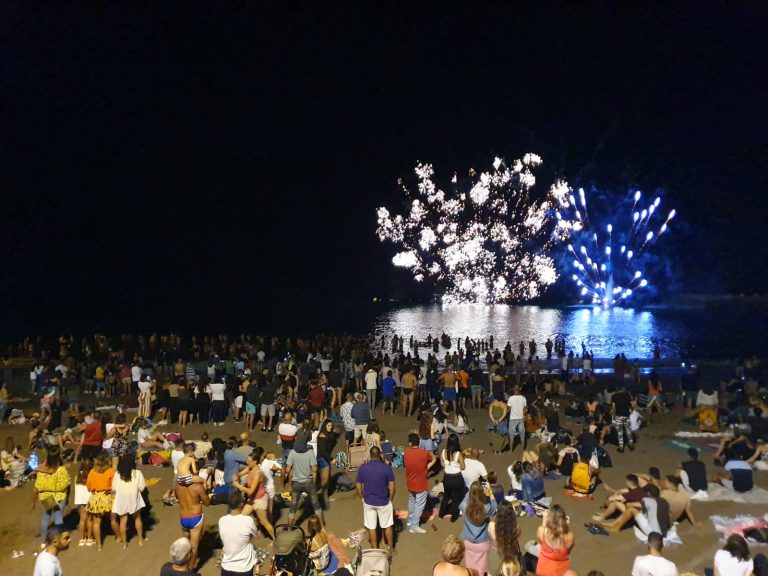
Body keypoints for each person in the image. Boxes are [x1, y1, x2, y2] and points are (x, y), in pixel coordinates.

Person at [355, 446, 396, 552]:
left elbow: (358, 485)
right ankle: (390, 548)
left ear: (370, 455)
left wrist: (362, 497)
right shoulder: (386, 468)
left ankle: (374, 549)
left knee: (371, 527)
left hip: (369, 502)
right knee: (387, 525)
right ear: (379, 454)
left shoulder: (363, 467)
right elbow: (392, 486)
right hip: (384, 501)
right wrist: (390, 498)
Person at [32, 447, 71, 547]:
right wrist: (68, 498)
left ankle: (43, 541)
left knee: (45, 518)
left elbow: (36, 488)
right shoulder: (62, 470)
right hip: (60, 497)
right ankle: (58, 540)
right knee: (58, 518)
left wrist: (33, 502)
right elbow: (68, 484)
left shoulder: (41, 471)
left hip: (47, 497)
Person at [232, 449, 275, 540]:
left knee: (263, 522)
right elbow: (240, 473)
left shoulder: (258, 473)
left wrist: (238, 485)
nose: (247, 462)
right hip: (252, 499)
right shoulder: (249, 468)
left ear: (255, 462)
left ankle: (275, 539)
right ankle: (247, 534)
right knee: (242, 516)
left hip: (259, 500)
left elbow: (251, 491)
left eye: (249, 461)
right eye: (247, 460)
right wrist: (236, 475)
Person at [218, 491, 262, 576]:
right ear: (241, 504)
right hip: (244, 567)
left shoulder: (222, 520)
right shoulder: (248, 520)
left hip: (227, 566)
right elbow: (255, 533)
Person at [285, 432, 325, 527]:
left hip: (296, 483)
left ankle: (289, 527)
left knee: (293, 506)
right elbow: (314, 470)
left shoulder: (292, 452)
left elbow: (288, 470)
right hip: (308, 482)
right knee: (316, 504)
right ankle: (322, 526)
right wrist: (314, 483)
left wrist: (290, 485)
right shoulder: (310, 452)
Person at [459, 480, 497, 576]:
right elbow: (494, 506)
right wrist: (490, 492)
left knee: (469, 564)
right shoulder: (486, 508)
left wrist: (472, 491)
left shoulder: (464, 506)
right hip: (483, 542)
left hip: (468, 541)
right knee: (482, 567)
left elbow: (463, 501)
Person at [175, 473, 210, 570]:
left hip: (183, 518)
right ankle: (190, 570)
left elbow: (177, 498)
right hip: (196, 518)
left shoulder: (178, 486)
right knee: (194, 548)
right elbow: (207, 503)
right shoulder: (198, 487)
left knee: (186, 545)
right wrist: (205, 491)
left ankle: (183, 565)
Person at [110, 454, 147, 548]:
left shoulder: (118, 474)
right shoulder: (137, 473)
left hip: (121, 498)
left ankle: (124, 543)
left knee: (123, 521)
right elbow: (142, 488)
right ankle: (140, 540)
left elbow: (113, 488)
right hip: (133, 497)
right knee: (137, 518)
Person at [404, 432, 436, 533]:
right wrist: (428, 466)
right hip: (421, 483)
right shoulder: (424, 453)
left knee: (412, 501)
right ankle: (414, 525)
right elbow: (433, 458)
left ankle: (410, 520)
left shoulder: (406, 452)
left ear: (410, 443)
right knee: (419, 505)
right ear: (419, 442)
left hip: (410, 482)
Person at [85, 453, 118, 550]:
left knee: (96, 522)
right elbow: (115, 486)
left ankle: (99, 545)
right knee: (113, 519)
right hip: (108, 496)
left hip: (95, 498)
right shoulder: (111, 471)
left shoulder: (92, 472)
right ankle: (119, 536)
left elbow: (88, 487)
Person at [535, 505, 575, 576]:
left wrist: (544, 520)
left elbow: (540, 543)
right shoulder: (569, 536)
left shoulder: (541, 530)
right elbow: (568, 551)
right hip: (561, 571)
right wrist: (566, 526)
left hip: (543, 569)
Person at [439, 434, 466, 522]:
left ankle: (441, 514)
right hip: (457, 478)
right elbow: (463, 467)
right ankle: (453, 517)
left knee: (446, 497)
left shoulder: (443, 452)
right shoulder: (458, 454)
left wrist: (449, 466)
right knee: (456, 498)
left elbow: (442, 464)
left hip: (447, 478)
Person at [490, 501, 522, 571]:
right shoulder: (517, 527)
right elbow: (517, 537)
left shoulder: (491, 526)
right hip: (511, 555)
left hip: (496, 555)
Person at [611, 385, 635, 453]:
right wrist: (631, 411)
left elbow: (613, 407)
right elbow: (633, 405)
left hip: (618, 415)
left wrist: (612, 414)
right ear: (624, 389)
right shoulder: (628, 395)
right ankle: (631, 445)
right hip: (627, 415)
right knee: (628, 431)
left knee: (620, 432)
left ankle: (621, 447)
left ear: (617, 389)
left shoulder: (614, 396)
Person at [507, 386, 527, 452]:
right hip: (521, 418)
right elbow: (525, 409)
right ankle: (522, 449)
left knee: (511, 435)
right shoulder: (523, 398)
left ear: (514, 390)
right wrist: (523, 414)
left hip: (513, 418)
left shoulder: (511, 398)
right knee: (522, 435)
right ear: (519, 390)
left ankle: (511, 450)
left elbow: (509, 409)